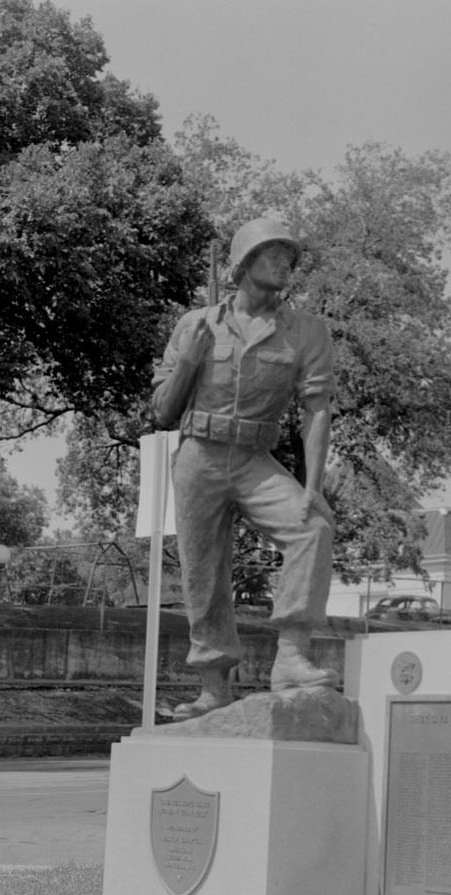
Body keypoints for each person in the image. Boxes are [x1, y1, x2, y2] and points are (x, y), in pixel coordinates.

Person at [151, 217, 338, 720]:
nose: (284, 266)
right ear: (244, 264)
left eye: (288, 258)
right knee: (202, 574)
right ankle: (213, 688)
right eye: (273, 255)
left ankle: (293, 657)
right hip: (199, 457)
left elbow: (316, 409)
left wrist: (312, 487)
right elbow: (162, 413)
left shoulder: (305, 331)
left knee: (313, 527)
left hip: (256, 457)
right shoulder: (195, 324)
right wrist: (189, 361)